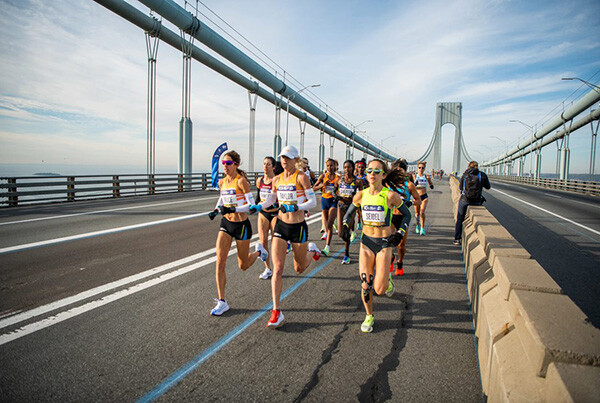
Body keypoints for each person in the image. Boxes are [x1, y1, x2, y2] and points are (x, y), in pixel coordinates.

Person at [249, 145, 321, 328]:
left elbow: (313, 202)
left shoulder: (302, 177)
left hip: (298, 227)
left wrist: (296, 206)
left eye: (288, 158)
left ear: (296, 160)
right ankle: (276, 311)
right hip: (281, 225)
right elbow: (271, 199)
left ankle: (312, 251)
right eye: (282, 157)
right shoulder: (277, 179)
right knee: (278, 269)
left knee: (299, 268)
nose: (284, 161)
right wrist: (259, 206)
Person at [340, 159, 411, 333]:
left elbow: (407, 215)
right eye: (369, 171)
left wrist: (400, 233)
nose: (372, 174)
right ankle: (369, 315)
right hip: (366, 243)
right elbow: (349, 214)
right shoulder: (360, 195)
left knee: (379, 289)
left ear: (383, 175)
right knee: (365, 283)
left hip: (384, 244)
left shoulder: (390, 196)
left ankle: (387, 282)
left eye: (377, 171)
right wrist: (344, 226)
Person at [207, 150, 269, 316]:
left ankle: (259, 252)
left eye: (228, 163)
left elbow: (251, 207)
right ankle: (222, 301)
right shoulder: (222, 182)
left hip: (241, 225)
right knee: (220, 261)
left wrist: (233, 209)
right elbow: (222, 199)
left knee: (243, 265)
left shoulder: (241, 182)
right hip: (226, 224)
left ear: (236, 164)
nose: (225, 166)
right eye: (223, 163)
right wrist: (216, 210)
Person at [387, 158, 421, 276]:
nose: (398, 173)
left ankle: (400, 262)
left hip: (403, 218)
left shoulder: (409, 185)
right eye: (396, 170)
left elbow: (419, 200)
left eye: (400, 170)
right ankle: (391, 257)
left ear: (404, 171)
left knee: (401, 246)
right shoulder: (389, 184)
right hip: (391, 216)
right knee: (387, 241)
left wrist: (410, 203)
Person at [454, 161, 491, 245]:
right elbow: (488, 187)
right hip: (477, 201)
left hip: (465, 200)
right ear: (477, 166)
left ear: (469, 166)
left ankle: (457, 239)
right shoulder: (482, 175)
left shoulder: (465, 174)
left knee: (459, 219)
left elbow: (460, 187)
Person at [255, 157, 280, 280]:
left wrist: (276, 206)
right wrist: (257, 205)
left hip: (275, 213)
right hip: (263, 213)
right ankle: (268, 268)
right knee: (263, 241)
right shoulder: (259, 180)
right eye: (264, 164)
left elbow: (281, 199)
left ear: (273, 167)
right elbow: (257, 197)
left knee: (275, 243)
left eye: (268, 164)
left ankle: (276, 268)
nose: (265, 166)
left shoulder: (277, 180)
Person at [336, 160, 364, 264]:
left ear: (353, 168)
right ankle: (348, 241)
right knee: (340, 233)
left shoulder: (357, 181)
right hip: (341, 206)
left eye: (349, 167)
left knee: (346, 230)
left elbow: (362, 194)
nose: (347, 169)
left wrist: (355, 198)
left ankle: (346, 254)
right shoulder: (340, 180)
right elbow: (334, 190)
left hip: (351, 207)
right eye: (345, 167)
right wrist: (336, 196)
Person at [313, 158, 340, 255]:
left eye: (331, 165)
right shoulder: (323, 176)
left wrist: (337, 188)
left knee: (329, 224)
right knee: (326, 224)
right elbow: (313, 188)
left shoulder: (338, 178)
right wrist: (323, 185)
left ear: (335, 166)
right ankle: (327, 236)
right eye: (328, 166)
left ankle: (327, 247)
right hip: (324, 200)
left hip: (333, 201)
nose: (329, 167)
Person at [412, 161, 434, 235]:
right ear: (417, 168)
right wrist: (414, 181)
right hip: (416, 197)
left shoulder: (426, 177)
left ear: (424, 169)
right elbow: (412, 186)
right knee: (417, 213)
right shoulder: (414, 176)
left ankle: (422, 228)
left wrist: (430, 183)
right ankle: (417, 225)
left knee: (422, 212)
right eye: (419, 168)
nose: (421, 169)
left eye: (422, 168)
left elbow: (431, 185)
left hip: (424, 196)